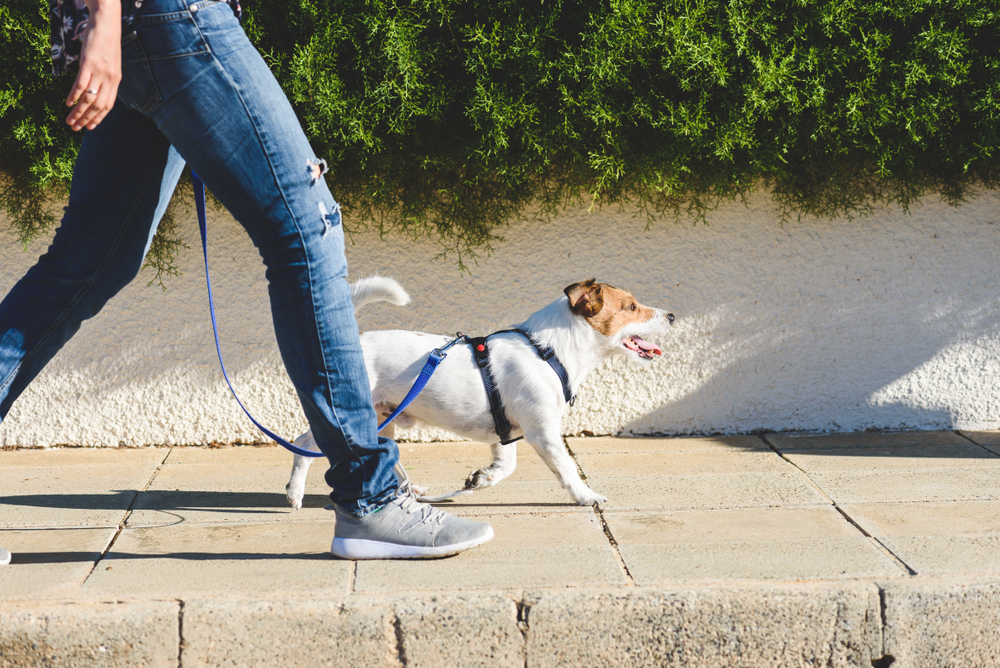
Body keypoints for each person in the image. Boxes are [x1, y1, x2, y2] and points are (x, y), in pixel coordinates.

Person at [0, 0, 493, 560]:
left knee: (89, 262)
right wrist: (108, 18)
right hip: (170, 16)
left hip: (147, 26)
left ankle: (370, 495)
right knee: (308, 233)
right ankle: (371, 498)